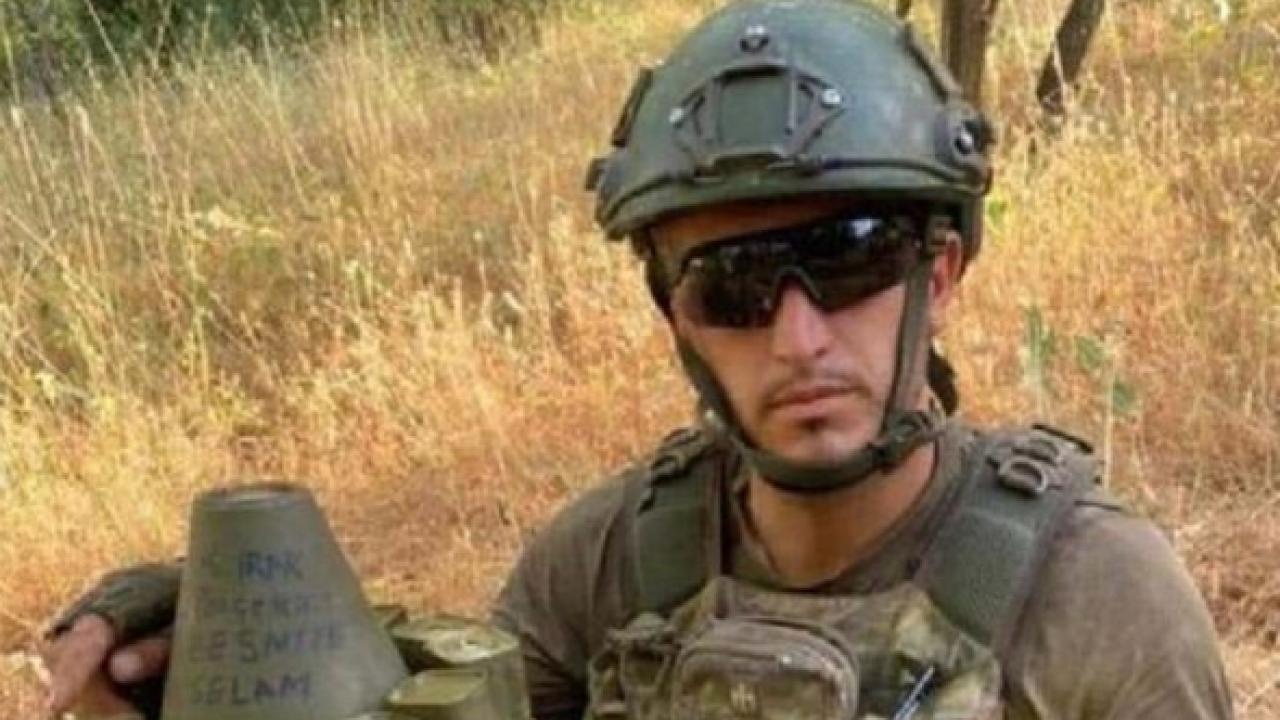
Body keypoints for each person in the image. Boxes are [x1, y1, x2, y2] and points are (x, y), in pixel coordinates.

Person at [42, 1, 1233, 718]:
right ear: (675, 317)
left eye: (852, 257)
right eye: (733, 286)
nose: (798, 337)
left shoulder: (1093, 594)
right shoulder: (612, 568)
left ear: (942, 273)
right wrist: (229, 635)